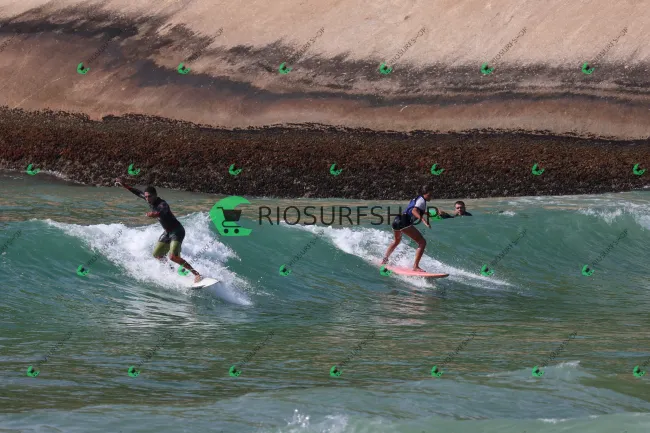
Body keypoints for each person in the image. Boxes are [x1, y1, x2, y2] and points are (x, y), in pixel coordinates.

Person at [115, 178, 202, 283]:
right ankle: (172, 271)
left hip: (177, 231)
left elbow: (162, 211)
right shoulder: (149, 200)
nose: (147, 199)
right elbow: (137, 192)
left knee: (172, 257)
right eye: (146, 197)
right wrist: (124, 185)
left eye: (149, 196)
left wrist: (154, 214)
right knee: (157, 255)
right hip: (167, 232)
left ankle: (196, 274)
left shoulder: (162, 204)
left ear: (155, 195)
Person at [382, 185, 433, 272]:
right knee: (422, 242)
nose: (431, 196)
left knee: (396, 241)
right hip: (404, 222)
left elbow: (411, 209)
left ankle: (385, 259)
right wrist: (424, 220)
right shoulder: (422, 201)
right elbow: (414, 211)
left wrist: (424, 212)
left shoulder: (416, 198)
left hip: (397, 220)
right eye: (429, 195)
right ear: (424, 194)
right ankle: (415, 266)